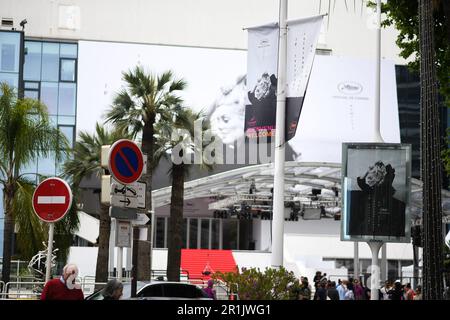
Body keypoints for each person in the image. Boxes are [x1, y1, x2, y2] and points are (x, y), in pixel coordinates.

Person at [348, 161, 406, 237]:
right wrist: (368, 171)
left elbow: (362, 182)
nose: (369, 177)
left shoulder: (383, 189)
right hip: (371, 226)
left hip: (380, 226)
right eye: (370, 174)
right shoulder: (370, 190)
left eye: (375, 173)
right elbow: (361, 181)